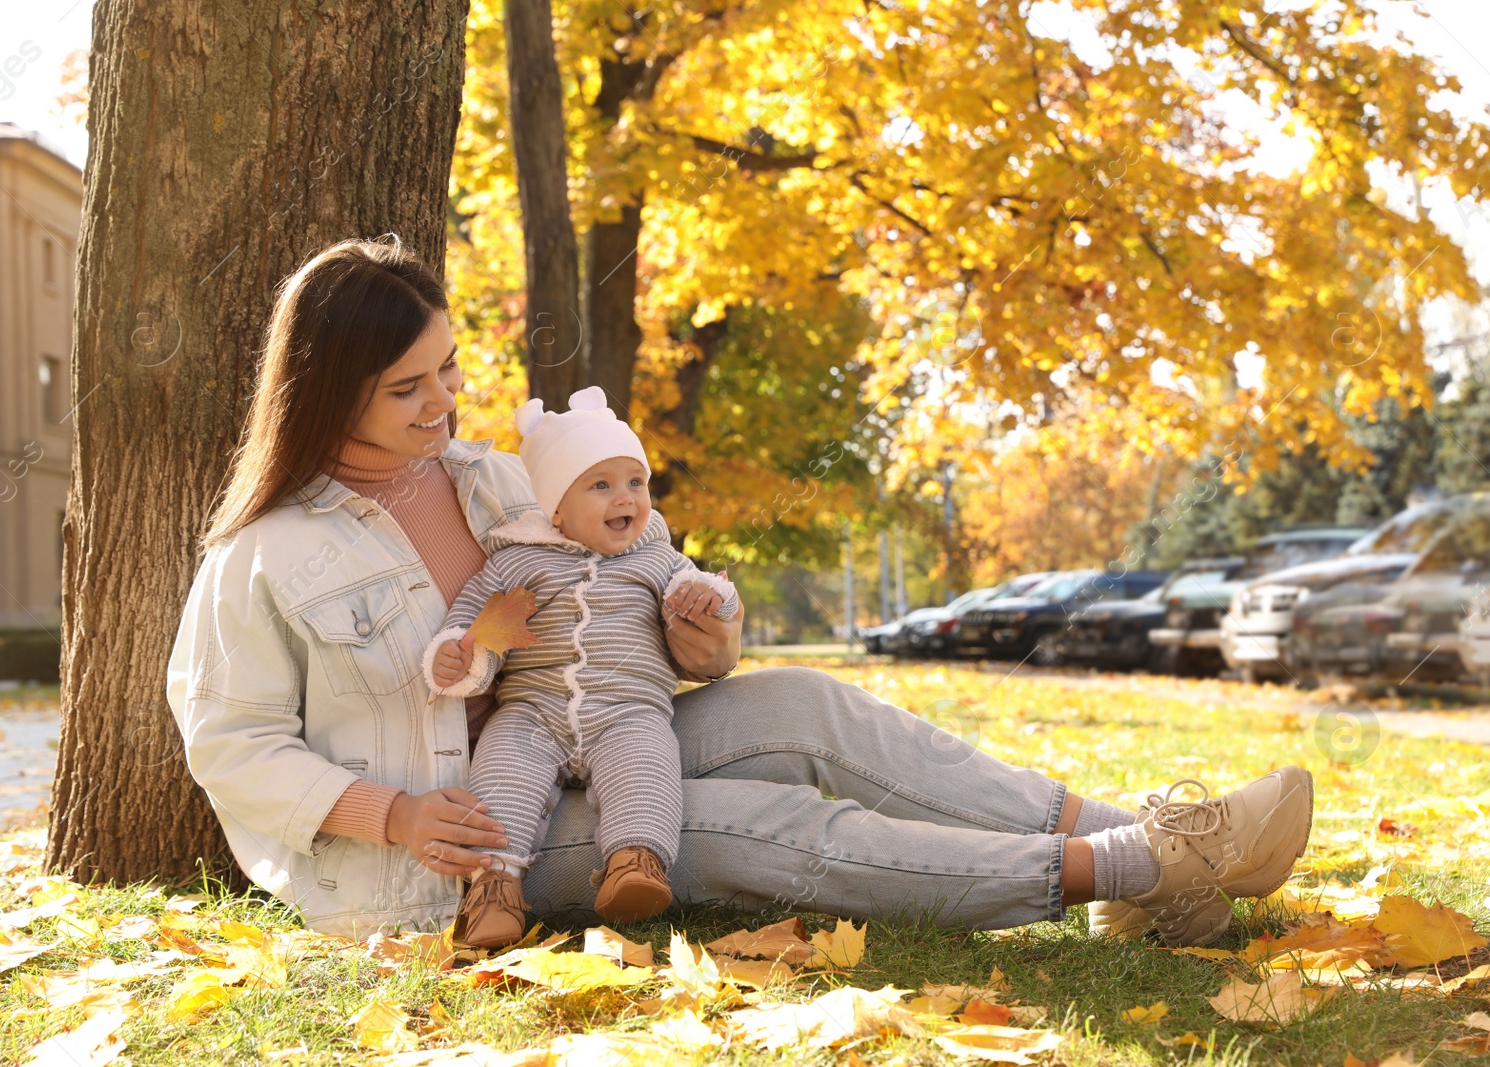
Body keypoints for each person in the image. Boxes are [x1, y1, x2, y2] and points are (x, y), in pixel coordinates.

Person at [167, 237, 1315, 948]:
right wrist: (396, 812)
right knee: (755, 829)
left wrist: (696, 636)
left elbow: (643, 594)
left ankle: (1149, 834)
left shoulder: (498, 482)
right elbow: (230, 739)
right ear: (326, 394)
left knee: (810, 705)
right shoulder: (265, 554)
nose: (444, 405)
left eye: (452, 368)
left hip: (607, 727)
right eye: (406, 388)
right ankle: (1140, 868)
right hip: (462, 846)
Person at [422, 385, 739, 947]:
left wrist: (711, 599)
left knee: (645, 769)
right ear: (557, 508)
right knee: (501, 779)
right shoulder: (518, 560)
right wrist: (458, 655)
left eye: (635, 482)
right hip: (530, 712)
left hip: (628, 710)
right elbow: (474, 618)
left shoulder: (659, 559)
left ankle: (634, 863)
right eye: (602, 485)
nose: (626, 498)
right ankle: (495, 888)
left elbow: (708, 591)